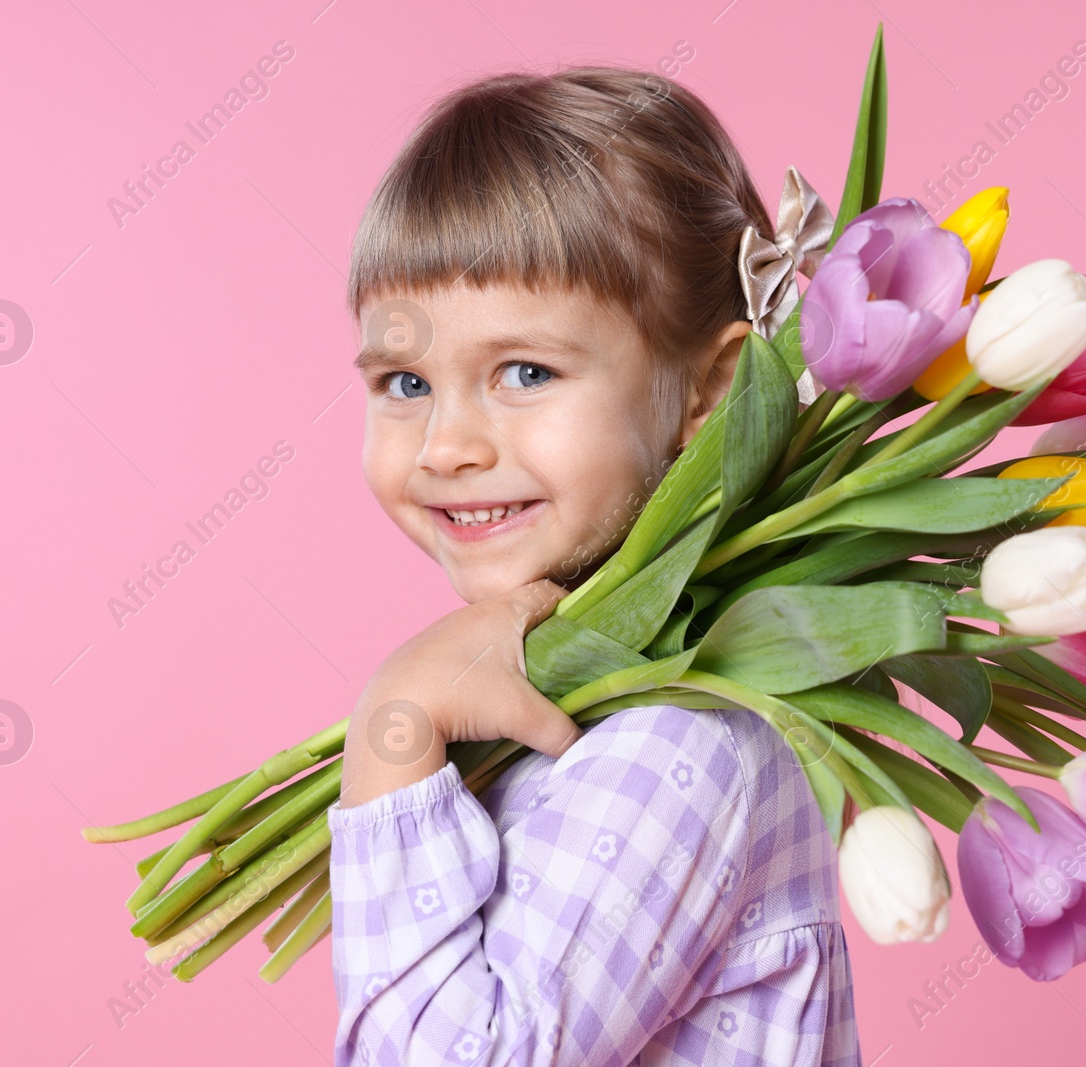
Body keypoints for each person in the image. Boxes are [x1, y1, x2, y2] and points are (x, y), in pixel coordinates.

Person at [327, 66, 861, 1066]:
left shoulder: (675, 739)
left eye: (523, 372)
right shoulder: (574, 699)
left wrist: (392, 726)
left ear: (707, 393)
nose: (446, 444)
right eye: (404, 381)